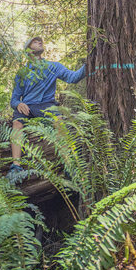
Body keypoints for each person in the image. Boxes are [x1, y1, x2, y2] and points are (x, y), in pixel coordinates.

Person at [9, 36, 85, 175]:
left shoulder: (53, 67)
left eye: (40, 41)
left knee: (59, 121)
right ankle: (16, 167)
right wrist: (18, 103)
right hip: (27, 107)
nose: (40, 42)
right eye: (35, 41)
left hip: (46, 105)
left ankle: (68, 163)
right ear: (28, 50)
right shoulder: (22, 72)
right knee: (17, 125)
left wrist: (89, 63)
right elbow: (13, 99)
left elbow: (73, 78)